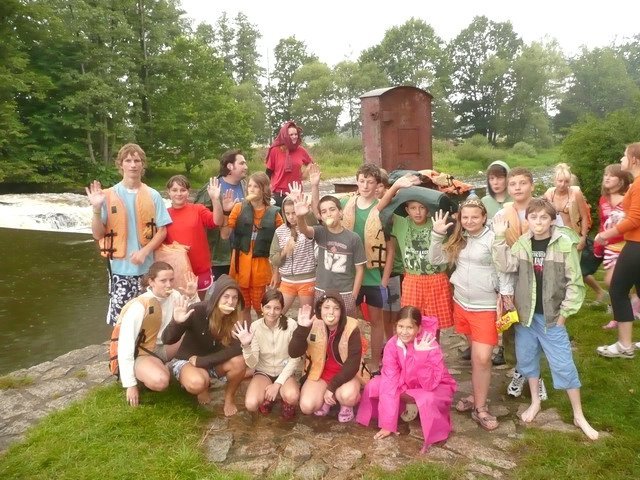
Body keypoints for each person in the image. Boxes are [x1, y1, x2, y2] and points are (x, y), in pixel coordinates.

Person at [492, 198, 599, 440]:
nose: (538, 222)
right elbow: (506, 265)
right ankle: (535, 402)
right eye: (533, 217)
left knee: (563, 364)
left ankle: (578, 414)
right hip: (526, 318)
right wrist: (499, 237)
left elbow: (575, 283)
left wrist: (564, 315)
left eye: (543, 217)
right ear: (527, 220)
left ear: (552, 220)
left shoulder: (564, 244)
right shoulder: (522, 243)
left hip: (552, 319)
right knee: (528, 360)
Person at [429, 199, 513, 430]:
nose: (469, 221)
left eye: (475, 217)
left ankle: (480, 408)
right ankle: (477, 397)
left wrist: (500, 239)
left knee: (483, 358)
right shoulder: (460, 238)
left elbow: (505, 267)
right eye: (465, 217)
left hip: (485, 307)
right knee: (476, 356)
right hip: (462, 304)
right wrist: (437, 235)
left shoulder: (493, 237)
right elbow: (435, 260)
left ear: (484, 217)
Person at [86, 143, 172, 326]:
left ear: (142, 164)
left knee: (148, 319)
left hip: (148, 271)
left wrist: (144, 252)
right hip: (119, 270)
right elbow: (98, 234)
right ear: (121, 164)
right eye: (128, 160)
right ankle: (119, 346)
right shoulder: (107, 196)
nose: (133, 165)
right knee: (121, 320)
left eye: (137, 161)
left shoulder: (153, 195)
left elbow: (162, 230)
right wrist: (96, 208)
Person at [356, 306, 456, 452]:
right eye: (400, 326)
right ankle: (400, 409)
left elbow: (429, 385)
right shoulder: (392, 344)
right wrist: (387, 424)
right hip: (406, 384)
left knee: (427, 399)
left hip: (432, 387)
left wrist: (421, 357)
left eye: (409, 327)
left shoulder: (430, 345)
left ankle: (423, 413)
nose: (404, 331)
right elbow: (389, 381)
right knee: (373, 386)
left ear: (419, 328)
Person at [493, 167, 555, 399]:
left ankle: (536, 375)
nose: (517, 188)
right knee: (513, 326)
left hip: (539, 274)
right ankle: (520, 370)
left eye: (522, 183)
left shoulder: (543, 210)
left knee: (537, 325)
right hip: (512, 275)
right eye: (513, 184)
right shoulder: (502, 214)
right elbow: (496, 247)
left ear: (532, 185)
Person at [378, 174, 455, 334]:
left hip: (436, 279)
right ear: (407, 210)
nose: (418, 212)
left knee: (434, 327)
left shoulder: (437, 222)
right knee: (410, 322)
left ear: (428, 209)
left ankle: (432, 350)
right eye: (413, 208)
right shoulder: (401, 223)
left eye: (421, 207)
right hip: (412, 280)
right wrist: (395, 187)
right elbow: (378, 210)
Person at [336, 163, 394, 374]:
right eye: (362, 181)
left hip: (374, 275)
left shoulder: (383, 210)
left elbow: (390, 249)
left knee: (376, 321)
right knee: (349, 319)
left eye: (370, 182)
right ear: (357, 182)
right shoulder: (346, 204)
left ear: (378, 184)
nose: (366, 186)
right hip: (351, 276)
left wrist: (384, 280)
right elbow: (321, 213)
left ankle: (375, 362)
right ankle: (352, 360)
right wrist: (314, 186)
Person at [162, 274, 247, 416]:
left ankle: (229, 398)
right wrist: (176, 322)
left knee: (240, 362)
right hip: (188, 361)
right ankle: (203, 385)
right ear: (217, 296)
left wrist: (203, 361)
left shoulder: (236, 317)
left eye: (234, 298)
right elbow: (167, 339)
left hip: (210, 361)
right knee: (197, 383)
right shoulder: (197, 310)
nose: (230, 302)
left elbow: (237, 348)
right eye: (226, 296)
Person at [116, 261, 199, 406]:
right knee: (161, 381)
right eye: (163, 281)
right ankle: (141, 374)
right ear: (151, 282)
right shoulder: (139, 306)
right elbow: (125, 346)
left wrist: (193, 297)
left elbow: (197, 317)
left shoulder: (175, 295)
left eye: (171, 280)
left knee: (195, 331)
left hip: (166, 347)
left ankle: (188, 373)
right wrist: (130, 384)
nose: (169, 285)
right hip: (144, 352)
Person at [288, 293, 362, 422]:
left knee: (347, 396)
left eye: (336, 308)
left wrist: (331, 387)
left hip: (346, 375)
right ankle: (326, 399)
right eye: (326, 307)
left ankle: (344, 405)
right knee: (306, 406)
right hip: (319, 373)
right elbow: (294, 353)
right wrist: (302, 329)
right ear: (320, 309)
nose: (331, 312)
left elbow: (353, 364)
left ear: (342, 311)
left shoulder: (352, 327)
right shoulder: (312, 323)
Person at [596, 143, 640, 358]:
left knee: (617, 290)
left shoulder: (639, 184)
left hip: (636, 245)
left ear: (634, 160)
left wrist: (606, 234)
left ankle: (624, 346)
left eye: (624, 155)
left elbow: (634, 219)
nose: (621, 159)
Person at [221, 172, 283, 322]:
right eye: (249, 186)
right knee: (243, 308)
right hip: (240, 267)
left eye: (256, 186)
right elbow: (224, 234)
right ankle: (246, 335)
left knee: (262, 308)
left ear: (264, 189)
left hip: (262, 269)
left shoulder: (274, 213)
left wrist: (276, 272)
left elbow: (280, 247)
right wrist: (226, 212)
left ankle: (264, 333)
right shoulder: (238, 208)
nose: (252, 189)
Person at [293, 190, 366, 317]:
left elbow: (360, 269)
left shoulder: (353, 238)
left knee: (345, 325)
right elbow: (304, 230)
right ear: (321, 216)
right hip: (322, 291)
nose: (329, 214)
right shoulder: (320, 232)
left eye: (332, 209)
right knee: (322, 324)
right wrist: (300, 216)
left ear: (340, 212)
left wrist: (354, 295)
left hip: (345, 292)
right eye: (324, 211)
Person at [232, 290, 301, 419]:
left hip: (284, 371)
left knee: (292, 396)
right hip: (263, 371)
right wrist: (246, 346)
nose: (272, 312)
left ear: (282, 309)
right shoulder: (255, 327)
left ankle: (285, 402)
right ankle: (267, 398)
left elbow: (295, 359)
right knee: (251, 404)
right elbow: (252, 363)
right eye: (268, 307)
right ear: (262, 308)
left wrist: (277, 384)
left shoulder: (291, 325)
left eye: (277, 308)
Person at [544, 163, 606, 303]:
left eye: (566, 181)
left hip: (573, 237)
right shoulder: (549, 194)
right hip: (555, 237)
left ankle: (573, 298)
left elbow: (584, 217)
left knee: (573, 270)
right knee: (560, 269)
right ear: (554, 180)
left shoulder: (575, 193)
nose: (563, 184)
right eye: (560, 181)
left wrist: (583, 237)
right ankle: (563, 299)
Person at [165, 175, 224, 299]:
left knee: (199, 305)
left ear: (188, 192)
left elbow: (217, 221)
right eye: (174, 190)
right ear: (168, 192)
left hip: (200, 269)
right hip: (177, 271)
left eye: (183, 190)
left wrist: (215, 199)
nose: (179, 194)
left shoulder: (198, 209)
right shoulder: (164, 214)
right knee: (178, 304)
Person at [195, 149, 248, 280]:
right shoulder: (212, 187)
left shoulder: (246, 186)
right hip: (220, 256)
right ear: (230, 166)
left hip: (242, 251)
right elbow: (198, 217)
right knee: (220, 290)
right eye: (242, 163)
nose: (246, 167)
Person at [595, 164, 636, 329]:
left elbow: (631, 223)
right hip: (609, 247)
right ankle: (621, 313)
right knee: (615, 284)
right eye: (605, 174)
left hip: (625, 245)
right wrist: (599, 243)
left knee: (612, 281)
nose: (606, 178)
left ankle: (626, 309)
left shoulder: (628, 198)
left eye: (611, 175)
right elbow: (603, 222)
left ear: (621, 180)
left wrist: (610, 235)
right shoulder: (603, 199)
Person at [269, 195, 317, 314]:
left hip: (307, 279)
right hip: (287, 280)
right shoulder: (279, 231)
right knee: (277, 313)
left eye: (294, 213)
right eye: (287, 213)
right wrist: (284, 251)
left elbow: (314, 220)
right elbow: (273, 259)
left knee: (306, 316)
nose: (291, 217)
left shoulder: (308, 228)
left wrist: (305, 211)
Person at [265, 121, 313, 207]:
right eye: (291, 135)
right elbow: (268, 172)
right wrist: (267, 190)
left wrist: (305, 174)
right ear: (285, 136)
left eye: (296, 134)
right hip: (278, 193)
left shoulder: (300, 150)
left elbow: (311, 163)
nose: (294, 137)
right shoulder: (275, 150)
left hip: (296, 193)